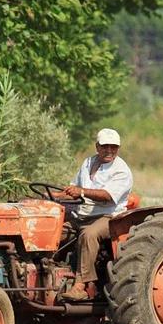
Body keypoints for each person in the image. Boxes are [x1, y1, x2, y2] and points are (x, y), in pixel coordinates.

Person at [53, 127, 134, 301]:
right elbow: (73, 188)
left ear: (118, 149)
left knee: (89, 234)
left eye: (114, 147)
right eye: (105, 146)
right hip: (82, 214)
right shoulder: (88, 163)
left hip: (109, 216)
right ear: (97, 147)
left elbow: (107, 196)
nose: (109, 151)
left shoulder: (121, 170)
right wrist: (52, 196)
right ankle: (50, 274)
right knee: (54, 230)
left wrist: (81, 192)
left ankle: (81, 285)